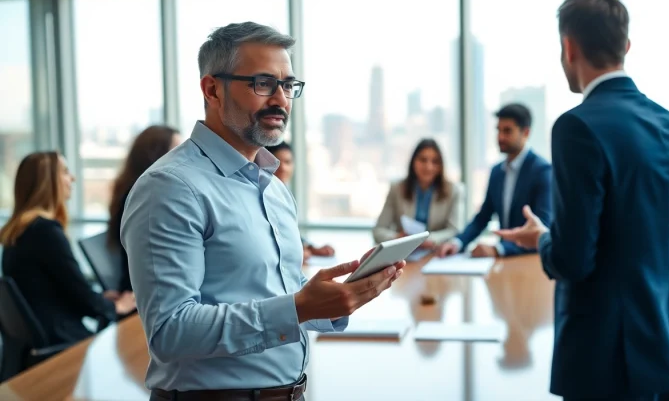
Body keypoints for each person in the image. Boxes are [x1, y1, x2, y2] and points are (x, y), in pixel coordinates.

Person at [120, 22, 405, 400]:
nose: (281, 100)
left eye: (288, 85)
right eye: (263, 83)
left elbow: (279, 292)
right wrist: (297, 308)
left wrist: (338, 298)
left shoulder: (273, 187)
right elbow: (170, 332)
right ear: (212, 90)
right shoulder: (171, 188)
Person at [496, 0, 669, 400]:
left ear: (568, 47)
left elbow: (573, 260)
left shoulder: (576, 127)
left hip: (609, 350)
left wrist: (542, 239)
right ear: (625, 46)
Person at [0, 152, 135, 345]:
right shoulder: (45, 231)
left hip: (38, 343)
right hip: (63, 341)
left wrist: (100, 299)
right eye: (64, 172)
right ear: (47, 182)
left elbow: (54, 292)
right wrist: (117, 306)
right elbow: (81, 296)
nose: (72, 178)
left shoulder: (19, 231)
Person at [435, 103, 551, 258]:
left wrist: (498, 248)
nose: (500, 137)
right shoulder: (497, 172)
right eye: (498, 130)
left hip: (529, 260)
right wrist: (457, 242)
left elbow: (543, 228)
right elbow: (483, 217)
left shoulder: (543, 171)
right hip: (502, 263)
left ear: (526, 132)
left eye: (507, 131)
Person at [107, 125, 182, 293]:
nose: (184, 157)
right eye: (177, 151)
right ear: (157, 155)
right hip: (143, 295)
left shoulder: (133, 190)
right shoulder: (145, 196)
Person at [373, 138, 462, 249]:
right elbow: (378, 231)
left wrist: (430, 239)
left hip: (435, 252)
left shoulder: (453, 191)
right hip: (404, 252)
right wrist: (397, 237)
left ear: (441, 166)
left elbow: (454, 230)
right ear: (413, 162)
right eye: (423, 160)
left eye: (435, 161)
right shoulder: (397, 189)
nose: (428, 167)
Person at [265, 141, 335, 262]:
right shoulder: (262, 194)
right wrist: (294, 252)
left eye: (288, 162)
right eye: (277, 162)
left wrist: (311, 248)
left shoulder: (285, 193)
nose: (283, 168)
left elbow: (287, 231)